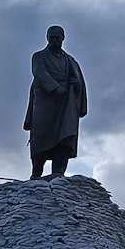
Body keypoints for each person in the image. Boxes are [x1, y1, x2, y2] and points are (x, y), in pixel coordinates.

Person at [24, 25, 86, 179]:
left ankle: (58, 173)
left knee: (65, 136)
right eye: (51, 37)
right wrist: (56, 88)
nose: (53, 40)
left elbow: (80, 81)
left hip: (67, 102)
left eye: (56, 37)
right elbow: (40, 73)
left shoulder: (71, 61)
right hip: (45, 100)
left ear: (62, 38)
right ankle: (36, 172)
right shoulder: (39, 56)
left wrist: (76, 84)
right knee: (41, 134)